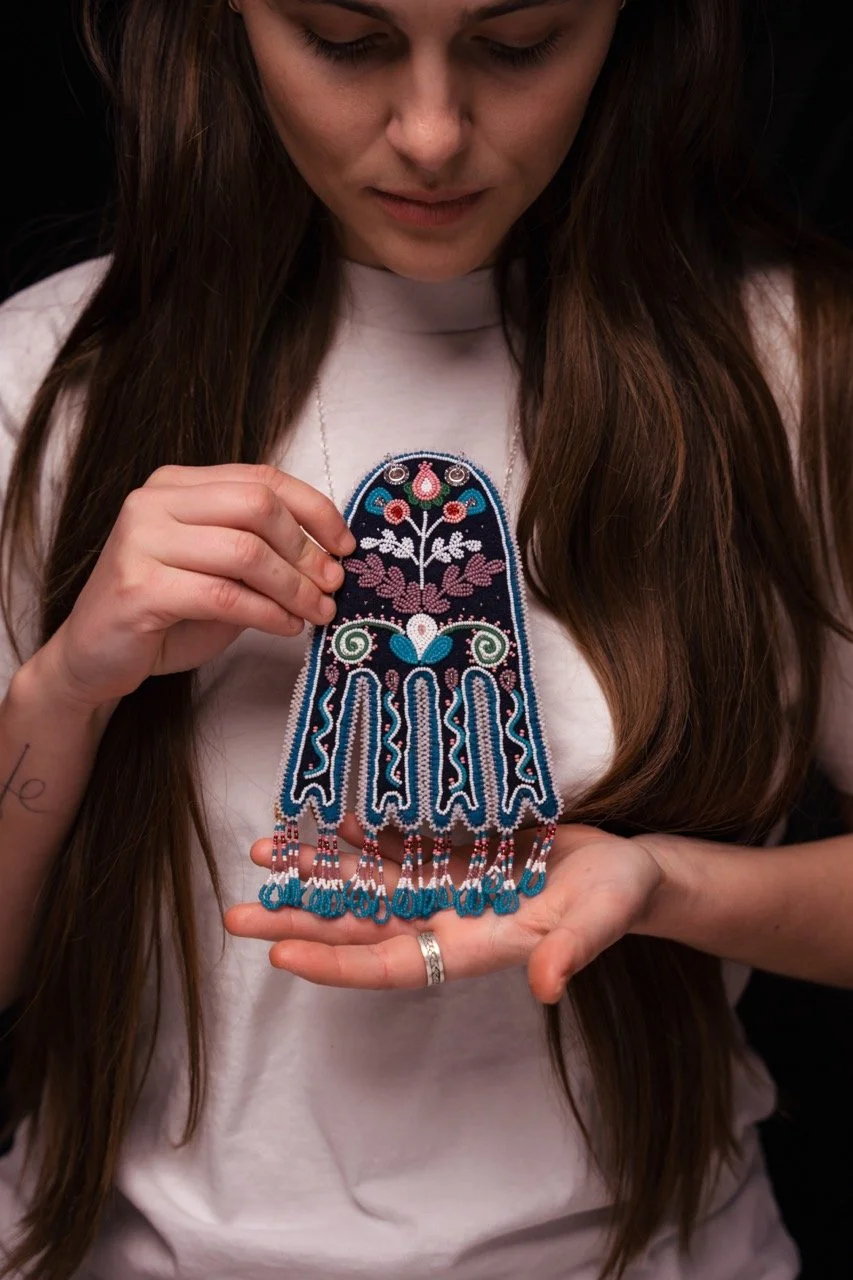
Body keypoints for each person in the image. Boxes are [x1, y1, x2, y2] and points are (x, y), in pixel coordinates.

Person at [1, 0, 852, 1277]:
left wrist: (665, 885)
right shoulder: (49, 378)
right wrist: (71, 682)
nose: (432, 134)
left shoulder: (788, 372)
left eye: (520, 45)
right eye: (345, 41)